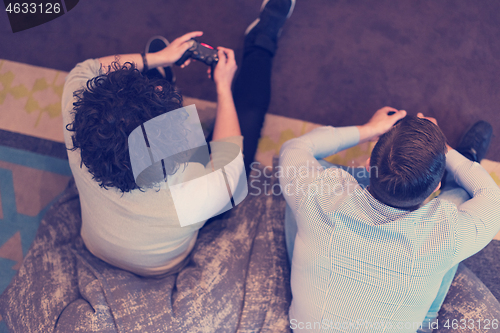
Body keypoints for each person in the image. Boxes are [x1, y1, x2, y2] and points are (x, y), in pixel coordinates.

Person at [62, 0, 295, 276]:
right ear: (175, 147)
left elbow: (87, 69)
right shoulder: (201, 195)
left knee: (136, 110)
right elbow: (229, 152)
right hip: (165, 267)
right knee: (248, 115)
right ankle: (261, 42)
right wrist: (223, 88)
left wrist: (157, 58)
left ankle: (160, 73)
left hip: (99, 247)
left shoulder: (75, 111)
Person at [279, 106, 500, 332]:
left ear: (367, 165)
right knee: (463, 196)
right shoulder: (446, 234)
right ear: (436, 187)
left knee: (306, 185)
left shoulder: (318, 194)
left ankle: (389, 178)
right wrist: (445, 149)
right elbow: (492, 198)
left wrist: (368, 129)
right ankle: (467, 158)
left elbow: (295, 147)